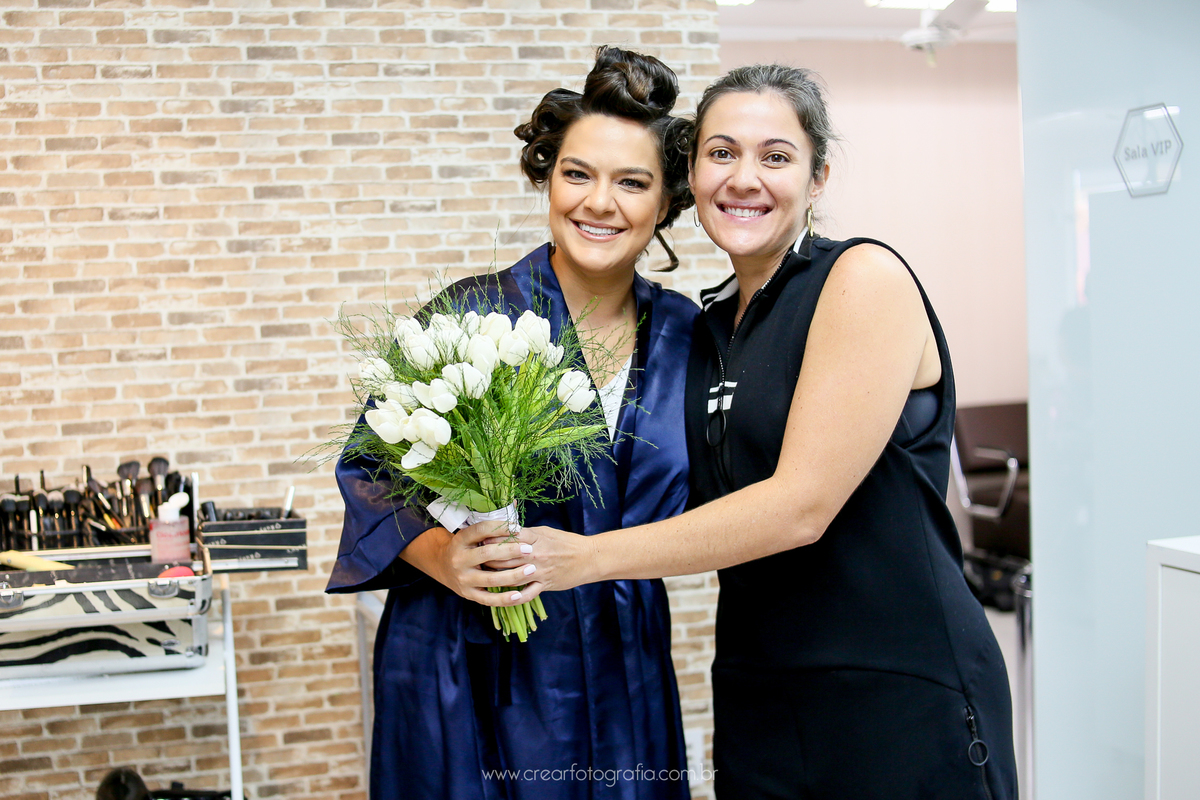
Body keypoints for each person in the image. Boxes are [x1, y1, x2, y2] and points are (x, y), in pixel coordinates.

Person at [465, 64, 1019, 799]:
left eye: (776, 156)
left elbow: (800, 507)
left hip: (895, 690)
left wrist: (582, 558)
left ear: (818, 179)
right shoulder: (707, 327)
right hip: (758, 697)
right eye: (721, 153)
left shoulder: (862, 279)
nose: (744, 178)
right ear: (692, 179)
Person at [326, 46, 699, 800]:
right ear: (547, 178)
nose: (600, 203)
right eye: (577, 174)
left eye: (632, 182)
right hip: (470, 653)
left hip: (621, 657)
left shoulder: (690, 336)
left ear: (665, 202)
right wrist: (443, 557)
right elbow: (371, 470)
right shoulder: (471, 315)